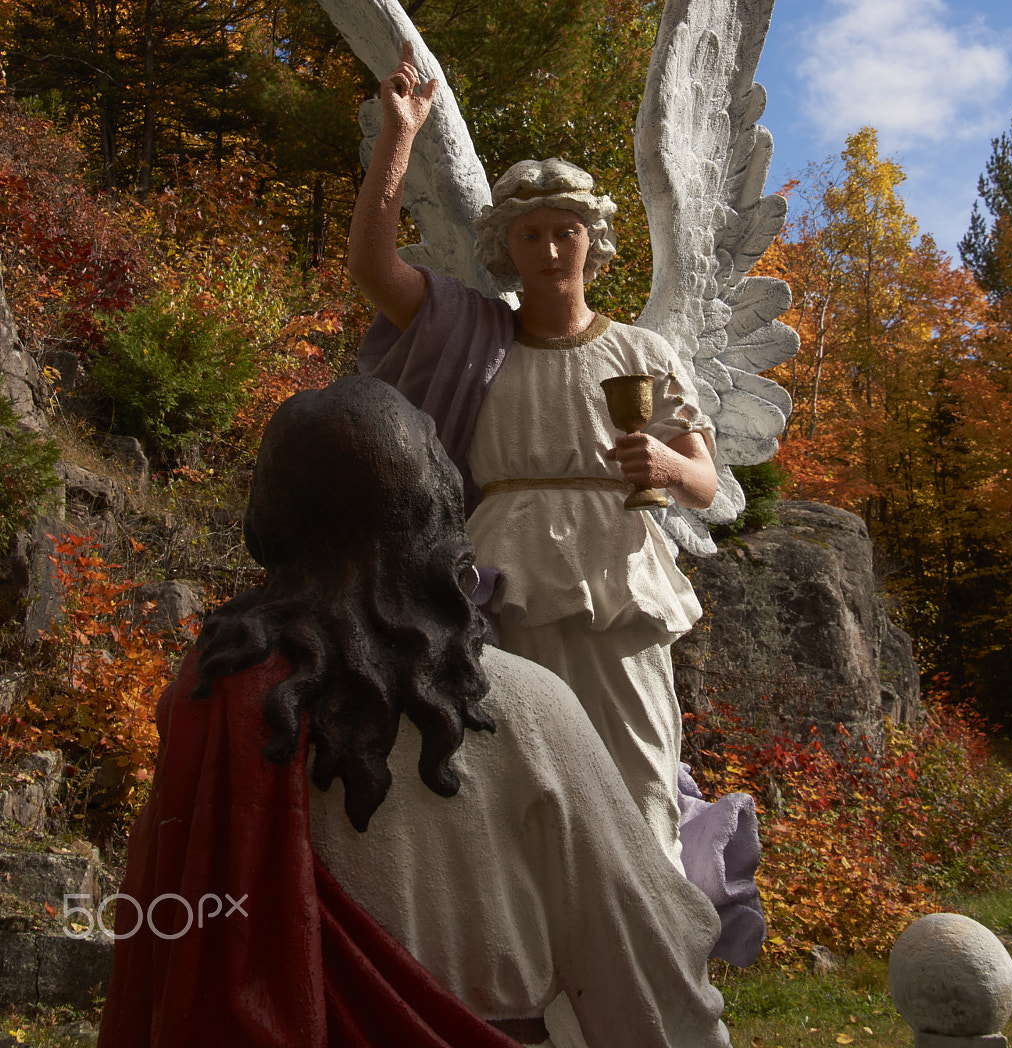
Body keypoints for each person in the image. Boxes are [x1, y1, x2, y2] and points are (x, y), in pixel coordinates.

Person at [98, 376, 730, 1048]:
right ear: (437, 515)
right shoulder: (526, 709)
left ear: (271, 521)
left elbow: (176, 937)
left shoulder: (217, 702)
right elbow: (644, 954)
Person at [351, 45, 719, 875]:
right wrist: (400, 136)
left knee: (641, 773)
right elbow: (374, 268)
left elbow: (705, 482)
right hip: (501, 580)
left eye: (567, 231)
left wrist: (663, 465)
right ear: (505, 247)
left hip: (620, 578)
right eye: (531, 234)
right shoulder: (471, 334)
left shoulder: (642, 348)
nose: (551, 249)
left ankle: (657, 957)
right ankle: (537, 975)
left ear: (595, 241)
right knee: (514, 777)